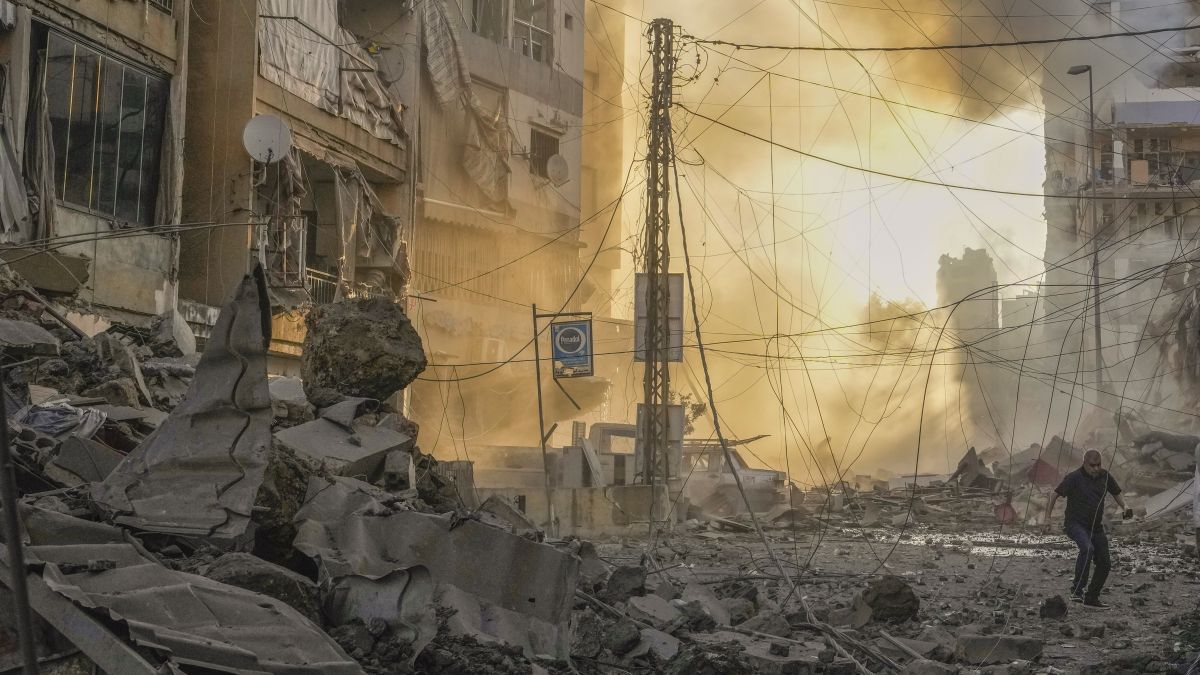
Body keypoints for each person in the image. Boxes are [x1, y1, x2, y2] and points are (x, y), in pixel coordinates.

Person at [1044, 449, 1132, 609]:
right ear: (1084, 463)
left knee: (1105, 562)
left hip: (1095, 527)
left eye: (1098, 465)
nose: (1096, 469)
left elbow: (1117, 492)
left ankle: (1092, 597)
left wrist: (1125, 506)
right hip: (1075, 524)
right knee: (1087, 548)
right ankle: (1077, 590)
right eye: (1092, 465)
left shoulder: (1105, 476)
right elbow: (1054, 495)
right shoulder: (1074, 477)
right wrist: (1047, 518)